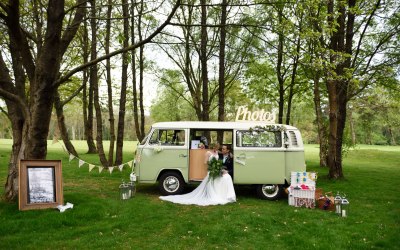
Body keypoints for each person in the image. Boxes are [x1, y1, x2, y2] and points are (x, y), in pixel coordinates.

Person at [159, 142, 236, 206]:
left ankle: (223, 194)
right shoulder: (208, 153)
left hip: (217, 169)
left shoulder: (217, 152)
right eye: (217, 147)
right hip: (212, 170)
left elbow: (226, 154)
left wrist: (229, 156)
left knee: (225, 177)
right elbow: (205, 162)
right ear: (213, 147)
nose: (218, 149)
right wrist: (213, 165)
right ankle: (216, 195)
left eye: (219, 147)